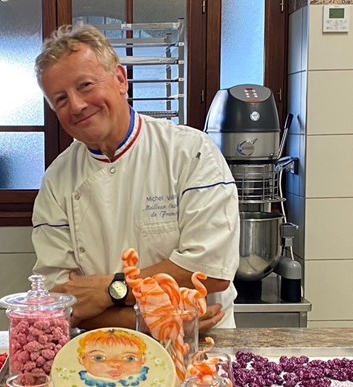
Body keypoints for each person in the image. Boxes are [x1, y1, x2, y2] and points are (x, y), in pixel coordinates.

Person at [31, 24, 240, 332]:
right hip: (105, 347)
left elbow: (209, 272)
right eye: (61, 99)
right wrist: (153, 321)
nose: (76, 105)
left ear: (120, 80)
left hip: (197, 345)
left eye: (85, 86)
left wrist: (109, 290)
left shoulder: (192, 152)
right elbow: (60, 303)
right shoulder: (57, 181)